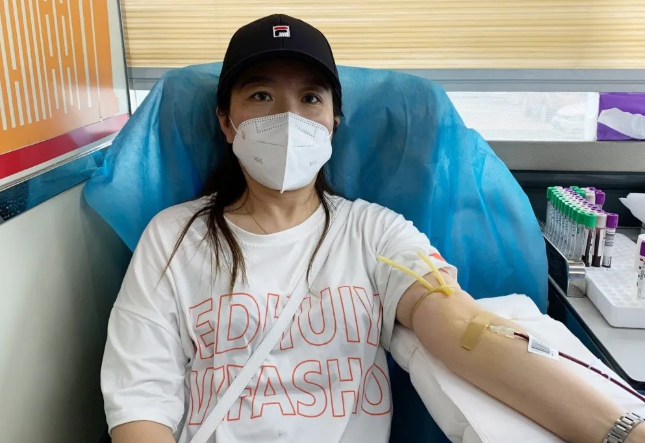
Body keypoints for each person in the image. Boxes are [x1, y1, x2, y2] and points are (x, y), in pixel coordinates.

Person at [101, 14, 645, 443]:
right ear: (226, 120)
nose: (288, 118)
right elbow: (140, 399)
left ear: (334, 121)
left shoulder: (375, 233)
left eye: (310, 98)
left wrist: (622, 431)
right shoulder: (174, 237)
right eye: (261, 95)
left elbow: (463, 330)